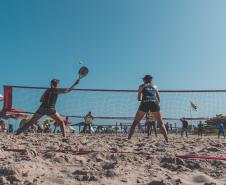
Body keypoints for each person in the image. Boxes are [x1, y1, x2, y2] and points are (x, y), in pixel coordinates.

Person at [128, 75, 168, 142]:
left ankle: (129, 139)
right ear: (151, 80)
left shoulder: (141, 86)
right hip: (154, 102)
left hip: (145, 102)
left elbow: (138, 98)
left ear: (144, 80)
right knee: (160, 123)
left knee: (135, 122)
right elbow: (159, 99)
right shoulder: (155, 86)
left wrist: (144, 100)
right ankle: (167, 140)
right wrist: (153, 103)